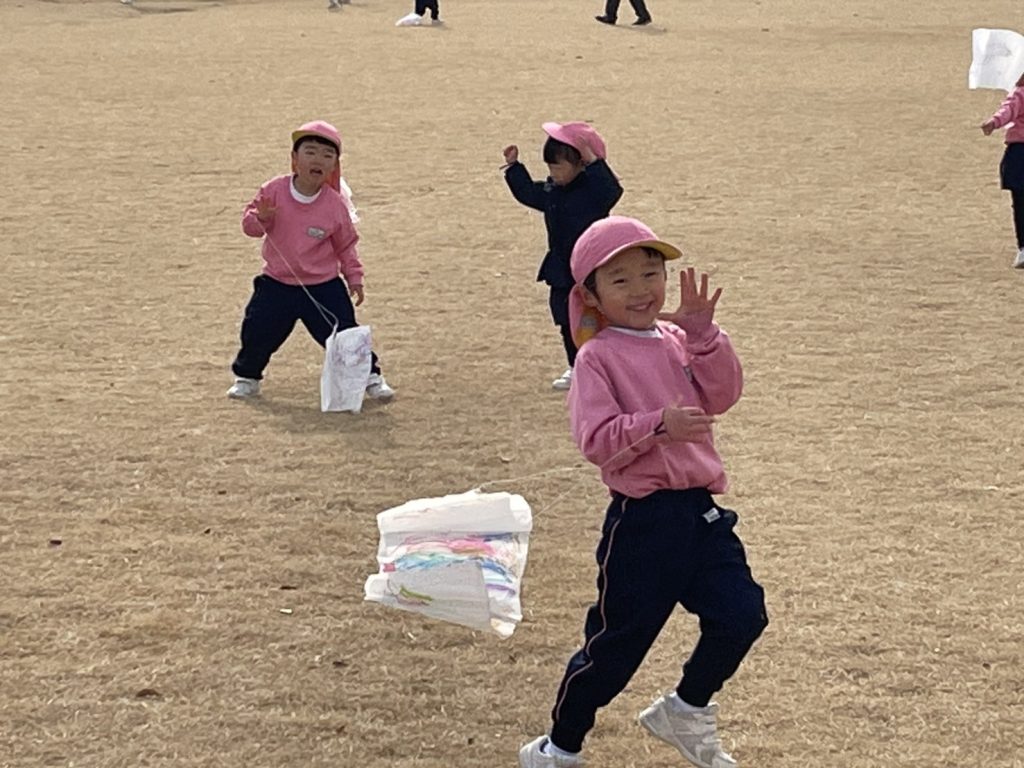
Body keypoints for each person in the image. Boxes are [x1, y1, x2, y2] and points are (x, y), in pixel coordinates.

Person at [518, 216, 768, 768]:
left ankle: (686, 708)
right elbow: (597, 441)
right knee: (616, 648)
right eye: (621, 279)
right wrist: (658, 425)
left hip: (701, 514)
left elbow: (722, 395)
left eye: (651, 273)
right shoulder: (597, 358)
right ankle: (558, 747)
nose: (641, 290)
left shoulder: (679, 340)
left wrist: (707, 337)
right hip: (642, 524)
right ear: (591, 295)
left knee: (742, 614)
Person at [227, 120, 395, 403]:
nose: (318, 160)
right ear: (295, 158)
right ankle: (247, 377)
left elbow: (346, 245)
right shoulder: (273, 190)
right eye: (310, 152)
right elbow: (250, 228)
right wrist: (261, 218)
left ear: (334, 167)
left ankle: (371, 378)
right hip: (276, 283)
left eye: (327, 156)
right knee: (258, 330)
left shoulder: (334, 204)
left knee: (345, 333)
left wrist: (354, 277)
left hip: (323, 286)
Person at [502, 122, 623, 390]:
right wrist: (514, 167)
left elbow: (612, 191)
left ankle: (607, 367)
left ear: (580, 164)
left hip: (592, 271)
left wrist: (592, 160)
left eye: (558, 167)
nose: (553, 173)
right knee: (566, 321)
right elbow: (528, 193)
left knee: (599, 321)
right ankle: (577, 366)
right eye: (550, 168)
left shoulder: (594, 194)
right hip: (560, 271)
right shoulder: (553, 192)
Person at [981, 71, 1024, 269]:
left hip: (1019, 152)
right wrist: (994, 122)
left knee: (1021, 203)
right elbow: (1008, 110)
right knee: (1021, 202)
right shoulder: (1020, 93)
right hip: (1020, 151)